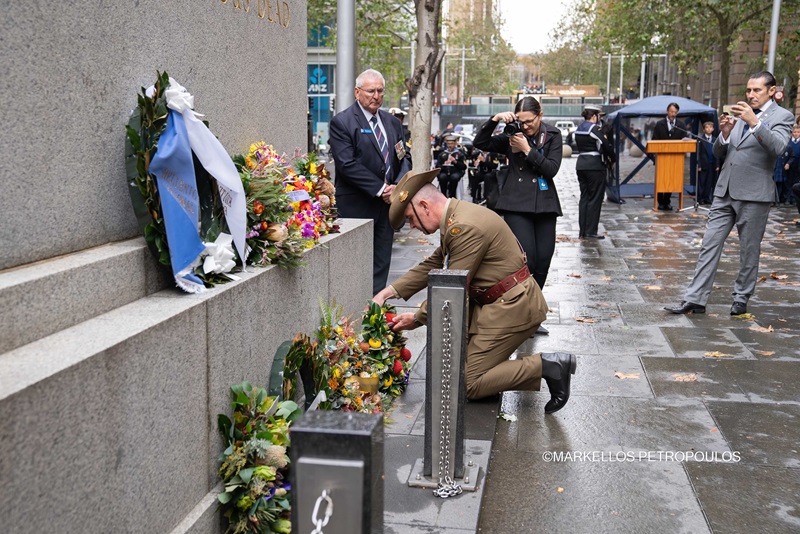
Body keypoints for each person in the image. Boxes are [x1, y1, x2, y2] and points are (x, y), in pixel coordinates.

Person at [372, 169, 577, 412]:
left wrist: (417, 319)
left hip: (514, 309)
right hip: (497, 304)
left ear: (425, 206)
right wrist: (388, 292)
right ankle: (493, 370)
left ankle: (549, 366)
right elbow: (435, 263)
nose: (413, 226)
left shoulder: (464, 227)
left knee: (466, 383)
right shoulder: (457, 216)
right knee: (453, 369)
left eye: (410, 218)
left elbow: (451, 289)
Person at [665, 71, 794, 316]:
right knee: (709, 244)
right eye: (748, 90)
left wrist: (755, 122)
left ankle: (741, 298)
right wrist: (724, 134)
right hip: (724, 191)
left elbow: (777, 147)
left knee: (748, 249)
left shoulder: (782, 116)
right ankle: (696, 299)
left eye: (756, 90)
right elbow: (721, 154)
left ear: (771, 90)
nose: (751, 95)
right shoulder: (743, 114)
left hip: (754, 193)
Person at [328, 69, 413, 295]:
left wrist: (397, 186)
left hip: (387, 206)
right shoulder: (342, 122)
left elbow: (404, 157)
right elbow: (347, 164)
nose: (376, 96)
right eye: (370, 91)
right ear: (357, 92)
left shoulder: (392, 123)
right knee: (352, 265)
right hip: (356, 205)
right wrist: (381, 188)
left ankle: (375, 314)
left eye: (380, 90)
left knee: (381, 263)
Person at [472, 96, 563, 291]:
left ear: (540, 115)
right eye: (521, 121)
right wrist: (494, 120)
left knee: (543, 260)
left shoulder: (553, 135)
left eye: (529, 121)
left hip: (545, 203)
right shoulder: (511, 133)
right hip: (516, 203)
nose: (525, 126)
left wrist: (528, 150)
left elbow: (551, 169)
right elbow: (480, 142)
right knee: (527, 259)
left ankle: (534, 307)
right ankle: (522, 308)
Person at [574, 104, 615, 238]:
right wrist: (613, 158)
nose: (599, 119)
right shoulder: (594, 129)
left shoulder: (579, 128)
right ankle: (591, 231)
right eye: (598, 116)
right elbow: (605, 144)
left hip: (581, 164)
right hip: (595, 166)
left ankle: (583, 231)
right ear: (593, 116)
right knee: (595, 198)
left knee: (584, 197)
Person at [652, 102, 687, 210]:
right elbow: (654, 140)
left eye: (675, 112)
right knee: (661, 179)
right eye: (671, 112)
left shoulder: (681, 125)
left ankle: (667, 201)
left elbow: (684, 141)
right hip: (662, 157)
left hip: (675, 159)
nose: (673, 114)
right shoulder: (659, 124)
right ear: (667, 111)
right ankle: (660, 202)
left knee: (671, 179)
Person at [435, 134, 467, 198]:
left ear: (455, 143)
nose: (450, 145)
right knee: (442, 177)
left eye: (452, 144)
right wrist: (444, 164)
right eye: (448, 144)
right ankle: (443, 195)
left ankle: (452, 195)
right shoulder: (442, 153)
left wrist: (455, 161)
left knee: (454, 178)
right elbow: (437, 166)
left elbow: (464, 167)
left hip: (456, 171)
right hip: (445, 171)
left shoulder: (460, 153)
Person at [696, 121, 720, 205]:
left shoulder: (715, 139)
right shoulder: (700, 139)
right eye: (707, 127)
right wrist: (699, 164)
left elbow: (717, 152)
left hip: (712, 164)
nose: (709, 129)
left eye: (710, 127)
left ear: (713, 129)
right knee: (702, 182)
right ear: (704, 129)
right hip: (703, 164)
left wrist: (717, 164)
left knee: (709, 183)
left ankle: (707, 198)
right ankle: (700, 198)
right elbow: (698, 153)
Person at [783, 124, 800, 207]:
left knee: (796, 183)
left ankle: (793, 199)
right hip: (788, 165)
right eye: (795, 132)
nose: (796, 134)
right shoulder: (789, 142)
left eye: (798, 132)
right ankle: (787, 198)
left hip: (798, 166)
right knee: (788, 182)